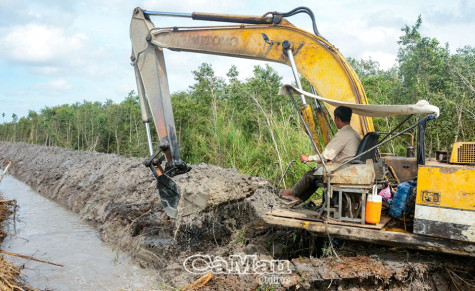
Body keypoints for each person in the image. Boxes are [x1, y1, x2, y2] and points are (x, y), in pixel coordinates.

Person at [280, 106, 361, 203]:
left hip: (343, 170)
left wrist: (308, 158)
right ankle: (297, 197)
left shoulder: (343, 134)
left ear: (337, 118)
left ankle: (293, 193)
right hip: (351, 167)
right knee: (317, 174)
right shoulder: (354, 134)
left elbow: (326, 156)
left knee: (311, 175)